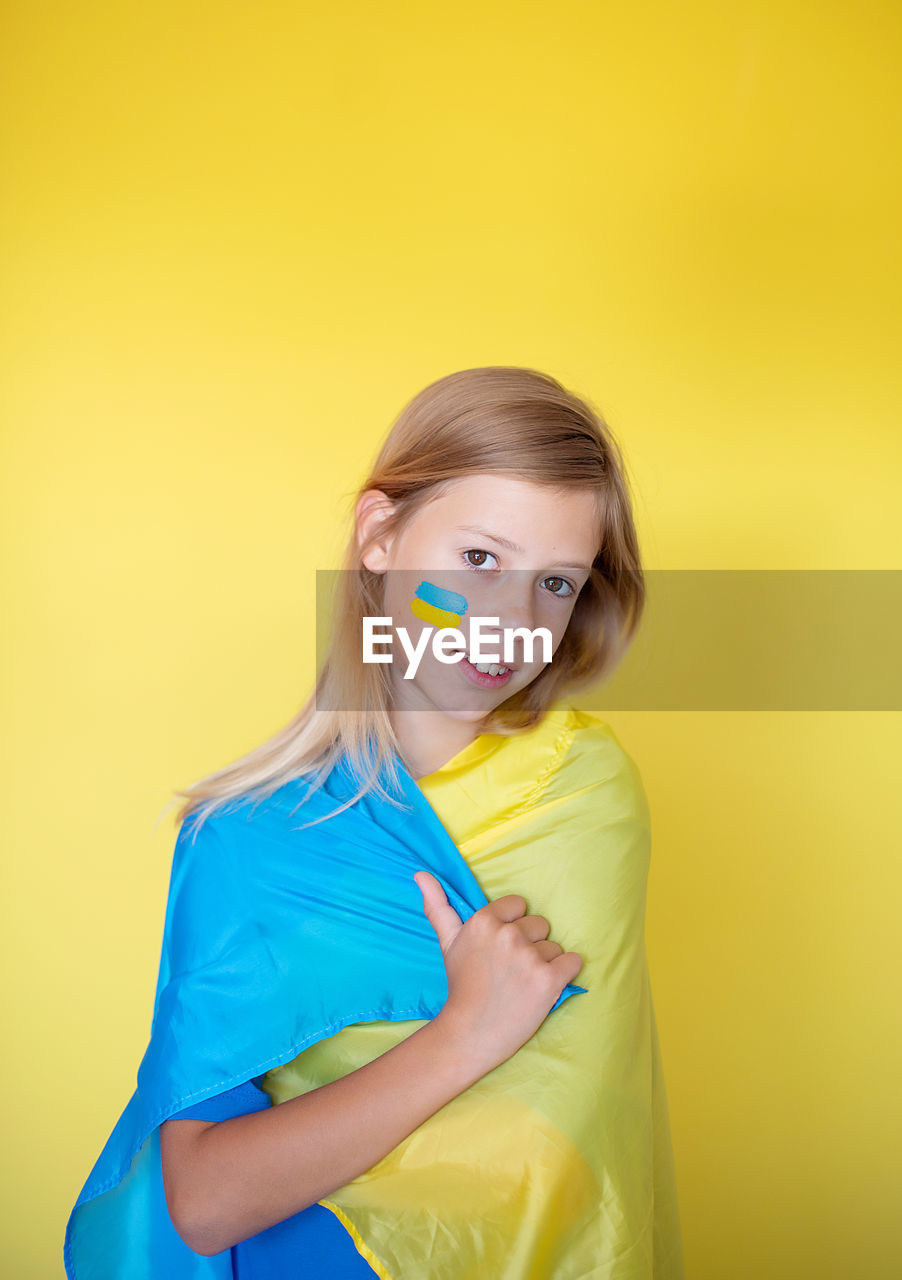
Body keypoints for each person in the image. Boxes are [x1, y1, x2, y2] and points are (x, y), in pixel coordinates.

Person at [64, 366, 685, 1279]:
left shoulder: (585, 789)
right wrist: (466, 1034)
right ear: (379, 534)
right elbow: (202, 1201)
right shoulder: (246, 840)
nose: (510, 622)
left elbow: (569, 1134)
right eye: (480, 560)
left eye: (557, 584)